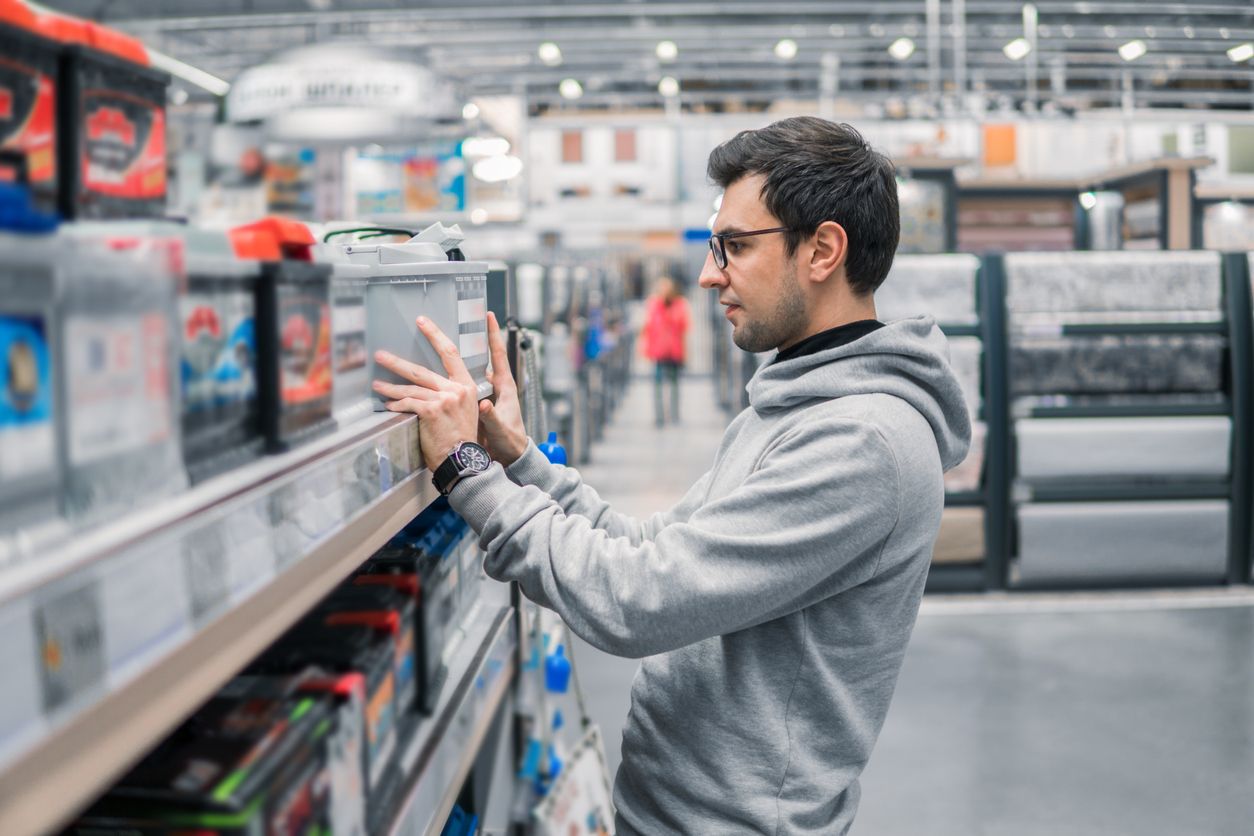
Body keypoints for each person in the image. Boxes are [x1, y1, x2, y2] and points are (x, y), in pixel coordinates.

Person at [373, 116, 971, 835]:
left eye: (736, 246)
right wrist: (518, 462)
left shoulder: (861, 442)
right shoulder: (790, 405)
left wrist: (466, 472)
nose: (708, 271)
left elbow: (638, 601)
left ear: (823, 250)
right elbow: (655, 546)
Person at [640, 276, 690, 426]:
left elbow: (683, 326)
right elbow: (648, 327)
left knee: (675, 384)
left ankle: (674, 414)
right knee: (658, 385)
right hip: (659, 351)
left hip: (674, 351)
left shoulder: (680, 304)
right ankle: (659, 416)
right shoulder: (654, 305)